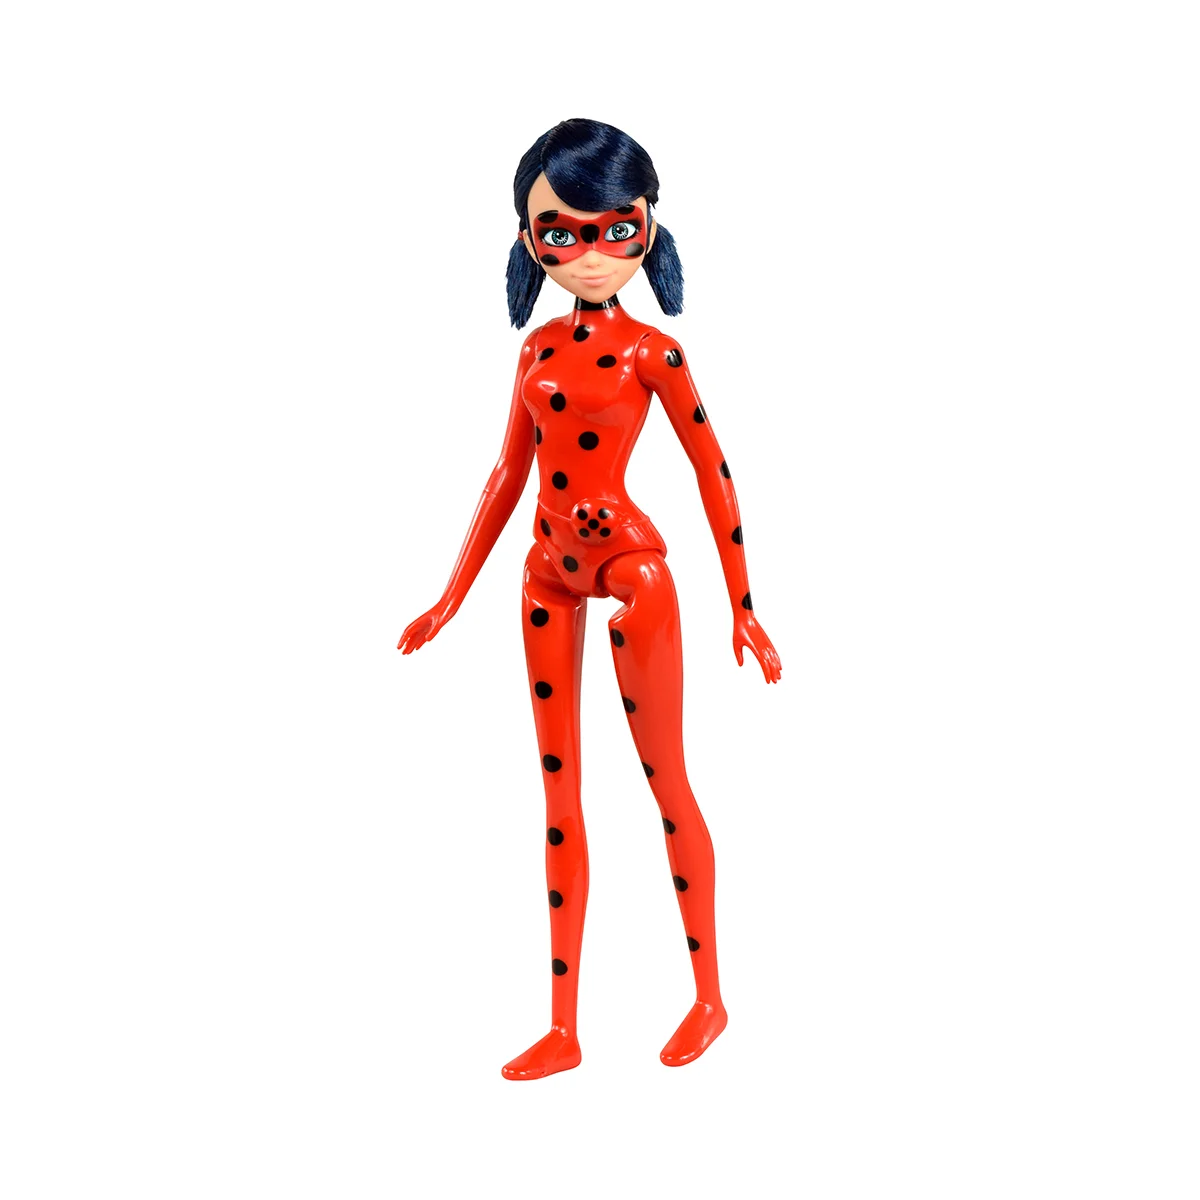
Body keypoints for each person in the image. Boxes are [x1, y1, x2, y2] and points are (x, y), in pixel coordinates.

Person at [399, 118, 782, 1079]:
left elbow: (713, 470)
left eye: (618, 229)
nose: (594, 253)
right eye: (562, 234)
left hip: (630, 573)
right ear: (529, 240)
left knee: (666, 783)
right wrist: (449, 596)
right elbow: (505, 477)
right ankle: (564, 1028)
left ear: (649, 228)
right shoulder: (534, 355)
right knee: (559, 796)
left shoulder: (655, 355)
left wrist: (742, 602)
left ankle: (710, 998)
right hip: (545, 572)